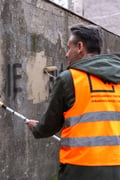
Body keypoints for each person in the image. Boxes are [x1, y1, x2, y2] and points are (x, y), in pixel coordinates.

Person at [25, 24, 120, 180]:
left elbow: (49, 126)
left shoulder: (69, 78)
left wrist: (37, 129)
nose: (67, 54)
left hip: (81, 168)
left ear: (80, 47)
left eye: (69, 48)